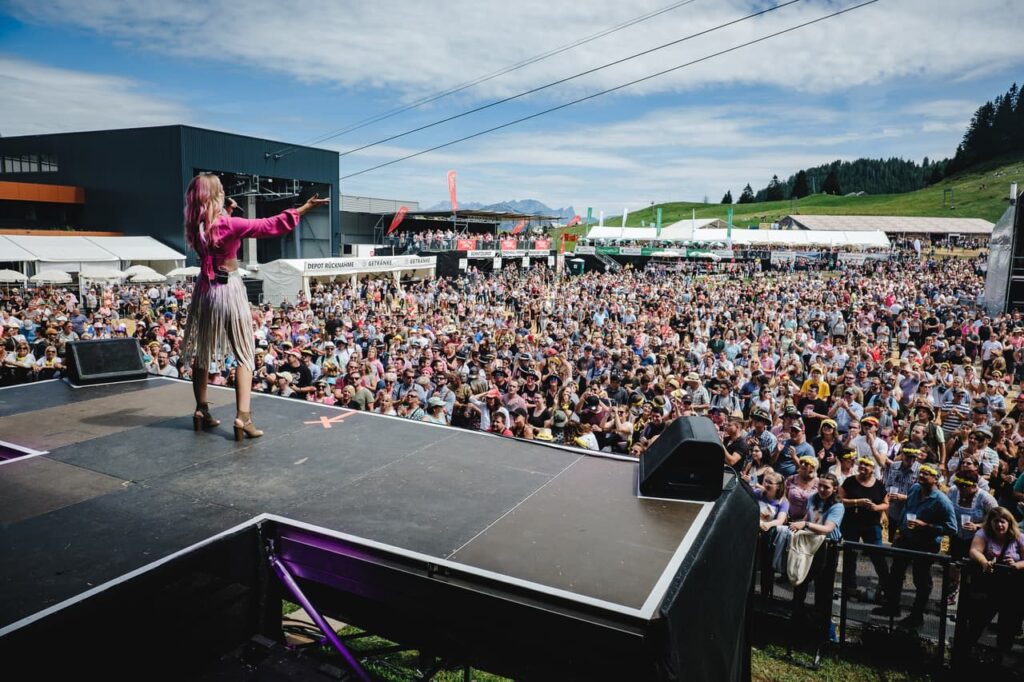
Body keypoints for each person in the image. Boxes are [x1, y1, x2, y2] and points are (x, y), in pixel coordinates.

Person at [180, 173, 328, 440]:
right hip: (228, 288)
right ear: (214, 195)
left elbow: (215, 230)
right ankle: (243, 417)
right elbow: (269, 225)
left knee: (202, 351)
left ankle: (201, 410)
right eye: (221, 189)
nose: (225, 191)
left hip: (204, 290)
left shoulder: (195, 224)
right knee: (245, 354)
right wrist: (304, 209)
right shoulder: (231, 224)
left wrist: (226, 212)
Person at [873, 463, 957, 627]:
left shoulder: (942, 501)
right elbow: (906, 509)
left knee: (921, 580)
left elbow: (952, 529)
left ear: (935, 478)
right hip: (905, 539)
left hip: (925, 545)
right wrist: (899, 529)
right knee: (896, 574)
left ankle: (917, 615)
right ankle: (892, 606)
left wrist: (927, 526)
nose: (922, 475)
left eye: (927, 473)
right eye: (921, 472)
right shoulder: (914, 489)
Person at [957, 507, 1024, 666]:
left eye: (1003, 521)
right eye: (996, 521)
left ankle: (1000, 659)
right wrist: (984, 562)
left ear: (1009, 523)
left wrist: (1016, 565)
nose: (999, 525)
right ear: (990, 522)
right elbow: (974, 550)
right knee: (978, 620)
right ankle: (963, 656)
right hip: (988, 586)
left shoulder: (1019, 537)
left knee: (1007, 625)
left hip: (1012, 588)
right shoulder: (983, 534)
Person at [840, 457, 890, 598]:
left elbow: (886, 504)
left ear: (873, 469)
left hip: (872, 525)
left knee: (878, 555)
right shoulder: (850, 481)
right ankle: (850, 587)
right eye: (861, 464)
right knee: (850, 556)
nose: (862, 466)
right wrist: (858, 502)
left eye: (866, 465)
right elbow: (840, 500)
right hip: (851, 524)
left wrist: (876, 507)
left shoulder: (879, 485)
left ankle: (886, 587)